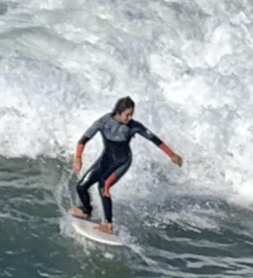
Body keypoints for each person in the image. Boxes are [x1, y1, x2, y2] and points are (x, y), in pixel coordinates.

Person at [70, 96, 182, 233]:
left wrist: (171, 154)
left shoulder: (133, 126)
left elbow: (154, 139)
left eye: (131, 115)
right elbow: (83, 140)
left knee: (103, 185)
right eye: (127, 114)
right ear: (118, 112)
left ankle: (108, 224)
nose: (129, 118)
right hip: (105, 160)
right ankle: (86, 210)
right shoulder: (104, 122)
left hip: (123, 161)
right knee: (81, 186)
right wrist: (78, 158)